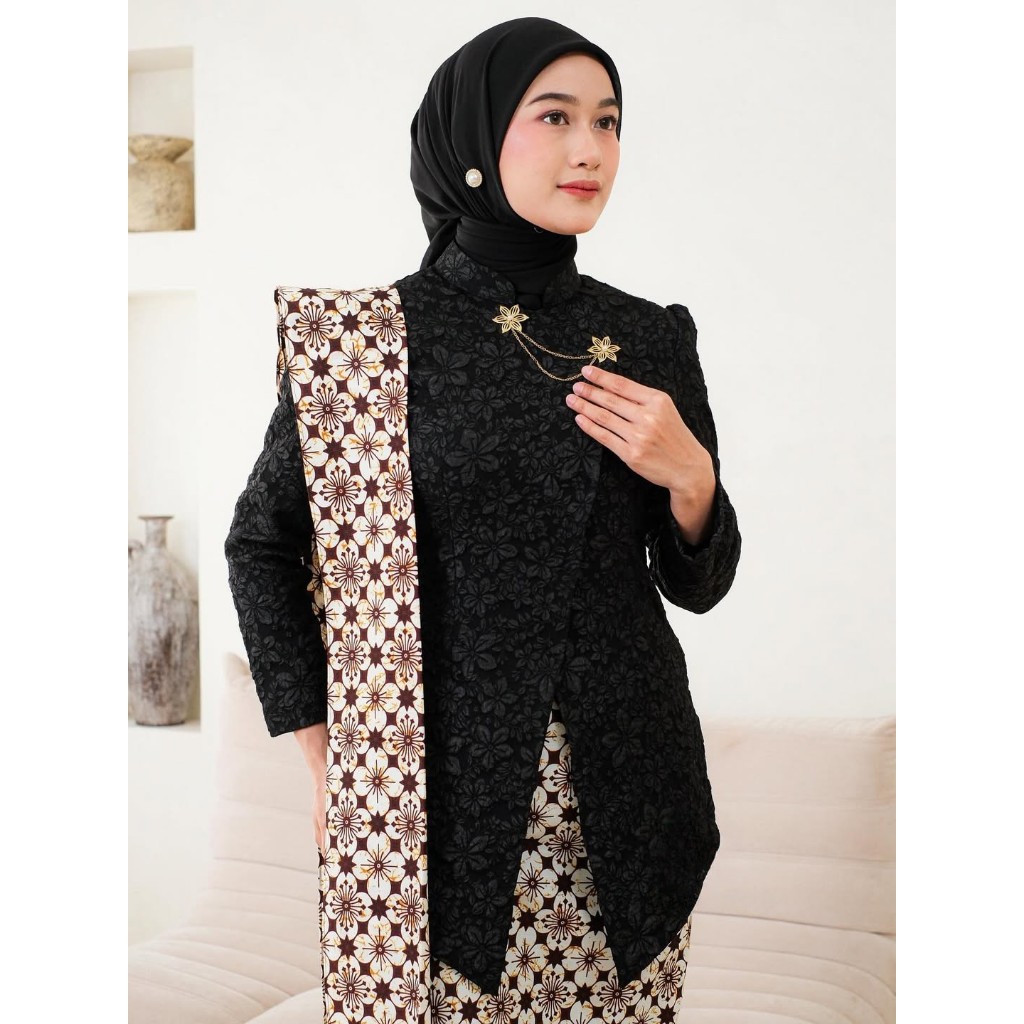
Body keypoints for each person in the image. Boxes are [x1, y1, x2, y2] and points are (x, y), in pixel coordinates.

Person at [224, 16, 741, 1024]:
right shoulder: (362, 343)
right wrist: (329, 758)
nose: (589, 148)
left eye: (607, 121)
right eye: (554, 117)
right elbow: (261, 546)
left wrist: (691, 479)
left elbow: (697, 584)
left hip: (631, 801)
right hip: (429, 804)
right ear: (470, 138)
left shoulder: (647, 336)